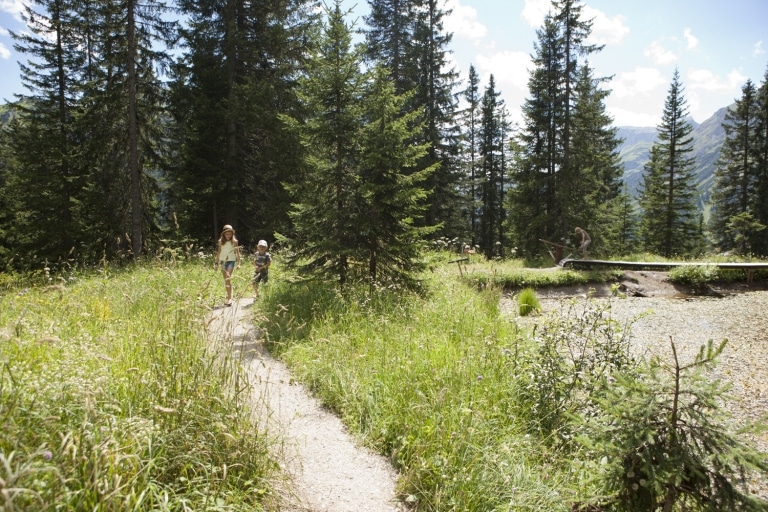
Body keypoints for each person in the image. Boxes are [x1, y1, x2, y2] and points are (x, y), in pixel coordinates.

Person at [214, 225, 240, 306]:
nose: (228, 236)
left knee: (228, 277)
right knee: (226, 280)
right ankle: (229, 296)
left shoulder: (234, 241)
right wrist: (216, 263)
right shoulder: (220, 241)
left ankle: (230, 299)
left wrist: (239, 263)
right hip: (222, 261)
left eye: (230, 234)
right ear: (224, 234)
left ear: (232, 234)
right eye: (227, 234)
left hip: (231, 261)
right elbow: (218, 252)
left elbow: (237, 253)